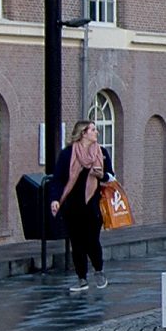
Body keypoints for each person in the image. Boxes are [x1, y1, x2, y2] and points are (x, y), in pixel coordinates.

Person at [47, 120, 112, 289]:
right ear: (83, 133)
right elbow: (58, 179)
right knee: (76, 243)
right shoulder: (68, 154)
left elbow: (110, 178)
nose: (96, 132)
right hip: (72, 206)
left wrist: (101, 175)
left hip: (93, 205)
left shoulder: (102, 153)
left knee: (92, 240)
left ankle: (98, 270)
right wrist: (55, 199)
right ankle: (81, 278)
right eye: (92, 130)